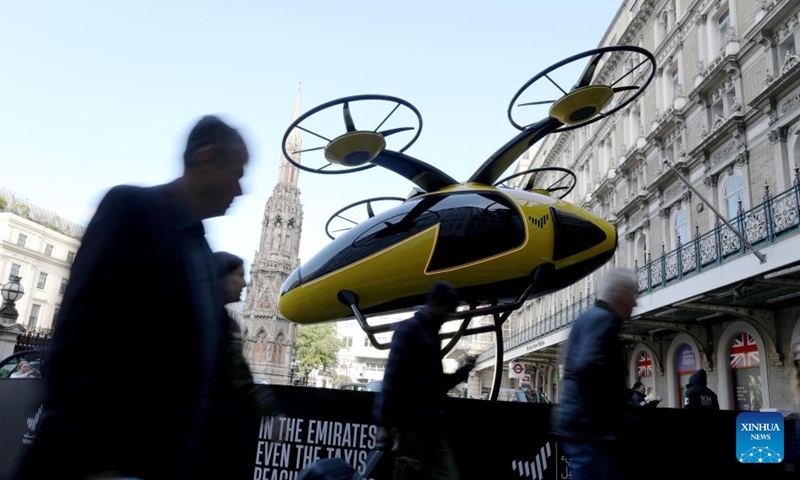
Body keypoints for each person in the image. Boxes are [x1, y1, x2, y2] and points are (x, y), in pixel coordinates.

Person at [15, 115, 250, 480]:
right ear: (206, 159)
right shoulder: (131, 209)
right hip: (106, 463)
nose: (240, 189)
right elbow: (79, 337)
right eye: (236, 173)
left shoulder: (202, 250)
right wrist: (98, 460)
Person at [373, 281, 476, 479]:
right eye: (449, 309)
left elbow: (436, 384)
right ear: (438, 304)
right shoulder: (410, 330)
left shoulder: (429, 334)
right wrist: (384, 424)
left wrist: (464, 372)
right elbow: (391, 380)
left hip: (430, 427)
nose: (450, 315)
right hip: (411, 428)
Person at [550, 268, 639, 480]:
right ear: (620, 293)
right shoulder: (602, 320)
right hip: (591, 429)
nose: (635, 303)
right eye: (633, 296)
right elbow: (589, 366)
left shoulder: (589, 318)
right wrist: (618, 410)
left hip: (582, 424)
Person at [213, 251, 283, 480]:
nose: (245, 282)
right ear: (220, 277)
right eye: (238, 275)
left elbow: (243, 377)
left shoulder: (226, 323)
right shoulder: (196, 314)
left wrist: (271, 414)